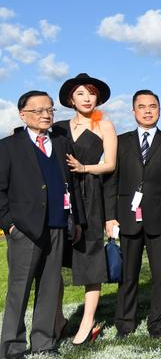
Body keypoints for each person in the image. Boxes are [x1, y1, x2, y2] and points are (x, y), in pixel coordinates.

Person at [0, 91, 84, 358]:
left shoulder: (61, 143)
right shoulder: (8, 147)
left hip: (58, 225)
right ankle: (12, 347)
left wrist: (76, 219)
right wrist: (9, 225)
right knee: (19, 289)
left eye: (49, 110)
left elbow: (72, 184)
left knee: (49, 287)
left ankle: (44, 343)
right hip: (24, 230)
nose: (46, 115)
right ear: (23, 115)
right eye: (38, 111)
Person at [104, 90, 161, 338]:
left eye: (153, 106)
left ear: (159, 110)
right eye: (142, 106)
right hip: (127, 218)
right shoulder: (120, 141)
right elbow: (111, 182)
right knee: (128, 276)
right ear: (133, 111)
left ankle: (157, 323)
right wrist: (110, 217)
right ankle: (125, 324)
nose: (148, 110)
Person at [52, 73, 116, 344]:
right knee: (53, 262)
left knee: (91, 260)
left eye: (91, 93)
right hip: (62, 197)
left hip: (90, 195)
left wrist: (84, 168)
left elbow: (111, 164)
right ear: (70, 99)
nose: (87, 98)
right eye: (80, 93)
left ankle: (88, 322)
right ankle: (56, 319)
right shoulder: (58, 127)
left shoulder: (105, 125)